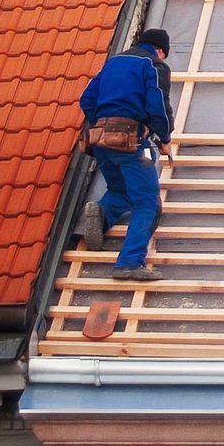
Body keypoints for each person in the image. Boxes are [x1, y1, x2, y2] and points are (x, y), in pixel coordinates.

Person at [78, 27, 174, 280]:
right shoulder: (155, 66)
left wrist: (103, 124)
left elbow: (86, 99)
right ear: (161, 50)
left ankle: (102, 214)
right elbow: (159, 107)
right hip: (130, 142)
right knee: (147, 203)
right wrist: (164, 138)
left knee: (121, 190)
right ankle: (129, 263)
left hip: (99, 141)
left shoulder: (113, 62)